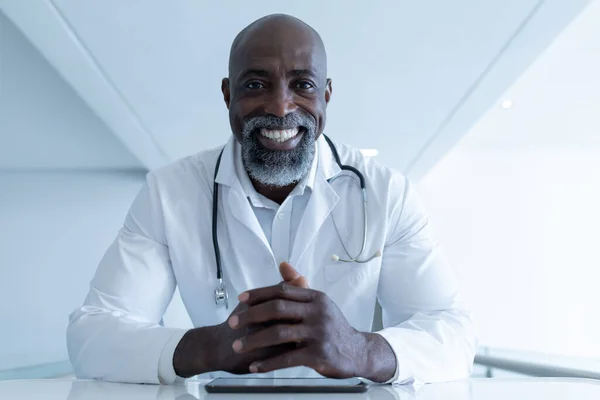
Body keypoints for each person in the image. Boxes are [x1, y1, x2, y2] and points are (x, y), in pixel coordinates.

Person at [66, 14, 477, 385]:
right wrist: (209, 348)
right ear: (228, 94)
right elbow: (92, 335)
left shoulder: (386, 193)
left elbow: (453, 332)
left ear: (327, 95)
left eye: (303, 85)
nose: (281, 106)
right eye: (256, 84)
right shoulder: (168, 193)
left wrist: (360, 350)